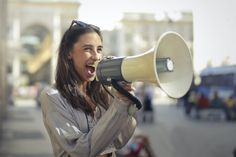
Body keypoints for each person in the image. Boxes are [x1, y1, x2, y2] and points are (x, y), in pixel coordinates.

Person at [39, 20, 138, 157]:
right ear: (69, 53)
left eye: (99, 49)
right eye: (87, 49)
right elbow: (81, 151)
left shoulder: (104, 92)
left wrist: (126, 104)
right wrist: (118, 106)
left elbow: (119, 140)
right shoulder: (52, 96)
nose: (96, 56)